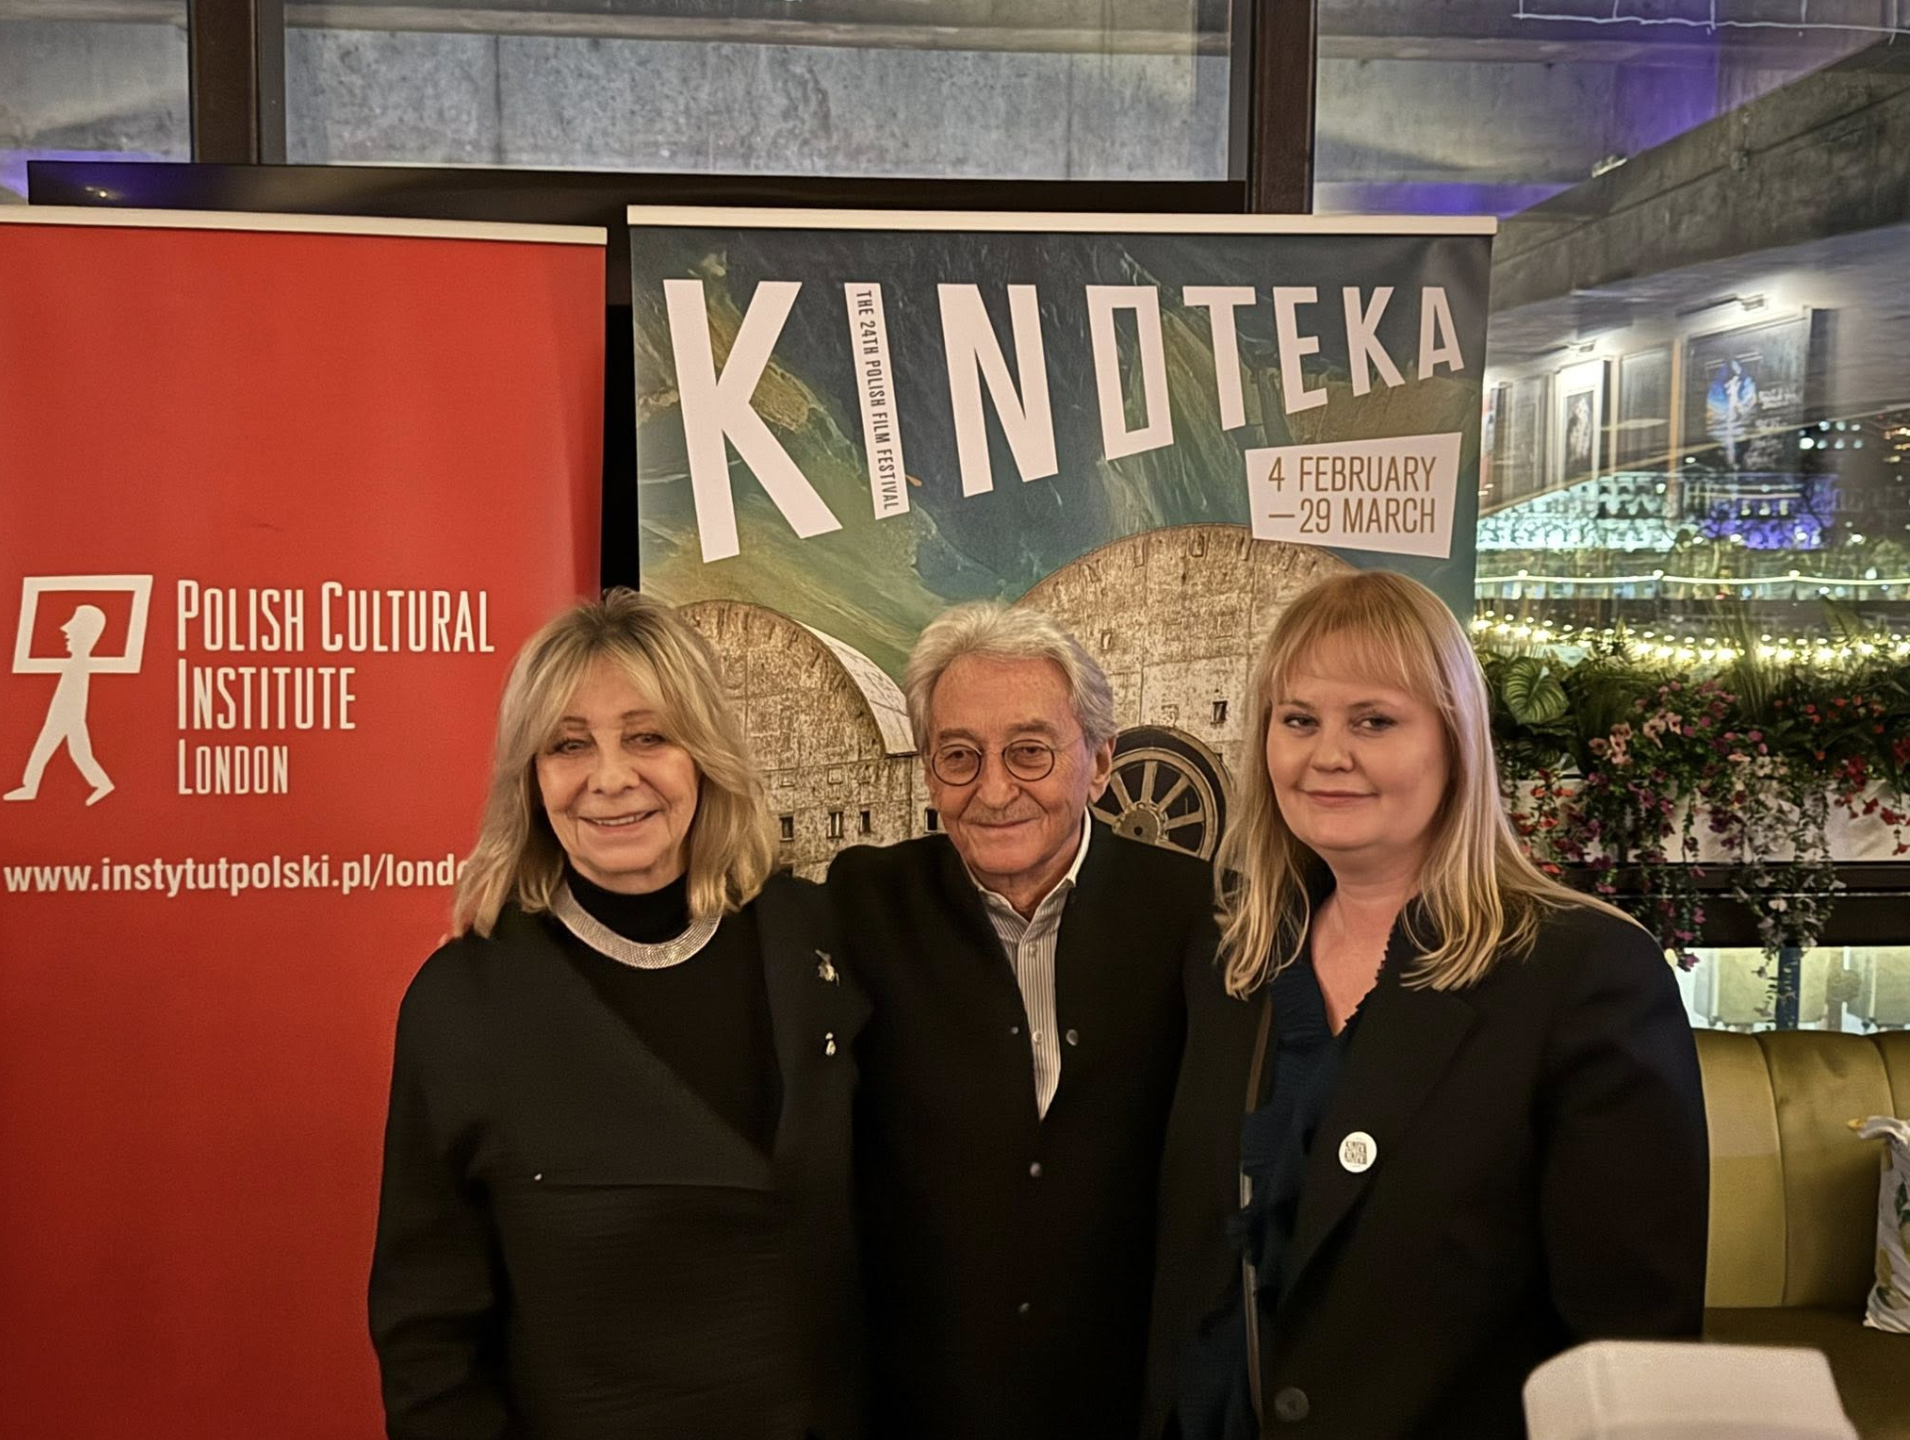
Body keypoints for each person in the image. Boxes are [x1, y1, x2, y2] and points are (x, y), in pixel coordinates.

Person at [1144, 570, 1708, 1440]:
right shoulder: (1233, 956)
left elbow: (1633, 1349)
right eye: (1299, 720)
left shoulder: (1585, 974)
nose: (1328, 754)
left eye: (1373, 721)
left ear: (1456, 741)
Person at [369, 588, 867, 1440]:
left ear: (704, 752)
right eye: (569, 745)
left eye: (648, 736)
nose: (610, 778)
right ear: (531, 777)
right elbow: (428, 1339)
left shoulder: (815, 941)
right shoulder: (465, 1003)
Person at [827, 601, 1216, 1440]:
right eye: (959, 756)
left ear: (1100, 762)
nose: (995, 790)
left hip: (1131, 1402)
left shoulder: (1200, 917)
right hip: (924, 1403)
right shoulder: (860, 907)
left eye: (1030, 752)